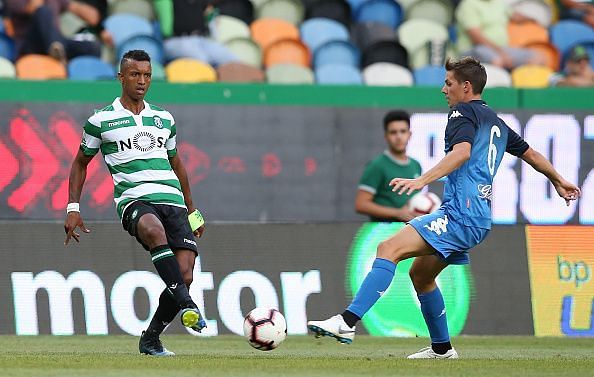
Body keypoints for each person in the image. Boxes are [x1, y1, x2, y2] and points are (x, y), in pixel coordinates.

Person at [307, 56, 581, 359]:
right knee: (421, 276)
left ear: (466, 87)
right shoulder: (496, 123)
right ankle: (441, 348)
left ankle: (347, 321)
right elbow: (532, 155)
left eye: (448, 83)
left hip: (460, 215)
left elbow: (462, 153)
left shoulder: (460, 113)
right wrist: (559, 180)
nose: (443, 89)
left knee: (388, 248)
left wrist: (421, 179)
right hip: (477, 218)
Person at [64, 49, 207, 356]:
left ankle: (151, 338)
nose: (141, 81)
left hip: (173, 201)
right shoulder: (101, 120)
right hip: (134, 200)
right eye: (134, 74)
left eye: (147, 75)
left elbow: (177, 163)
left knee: (184, 274)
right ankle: (188, 306)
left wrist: (192, 209)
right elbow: (79, 163)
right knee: (153, 231)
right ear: (121, 77)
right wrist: (73, 207)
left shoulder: (164, 119)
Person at [355, 110, 421, 222]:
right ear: (386, 136)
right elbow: (361, 204)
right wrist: (397, 213)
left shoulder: (416, 165)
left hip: (409, 231)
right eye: (393, 132)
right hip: (382, 231)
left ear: (409, 135)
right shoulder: (377, 166)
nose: (399, 137)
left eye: (403, 131)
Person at [455, 0, 545, 69]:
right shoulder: (468, 4)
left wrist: (532, 19)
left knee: (539, 57)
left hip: (500, 49)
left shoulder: (498, 2)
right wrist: (502, 54)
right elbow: (477, 37)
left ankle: (521, 88)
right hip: (473, 50)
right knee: (497, 61)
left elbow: (514, 15)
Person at [6, 0, 101, 61]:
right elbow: (33, 8)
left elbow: (93, 18)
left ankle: (57, 51)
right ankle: (56, 49)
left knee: (92, 46)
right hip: (30, 46)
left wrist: (75, 6)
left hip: (58, 42)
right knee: (43, 11)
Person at [153, 0, 238, 66]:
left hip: (201, 40)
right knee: (202, 60)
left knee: (231, 59)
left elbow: (209, 22)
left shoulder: (201, 2)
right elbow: (166, 31)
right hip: (176, 40)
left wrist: (209, 17)